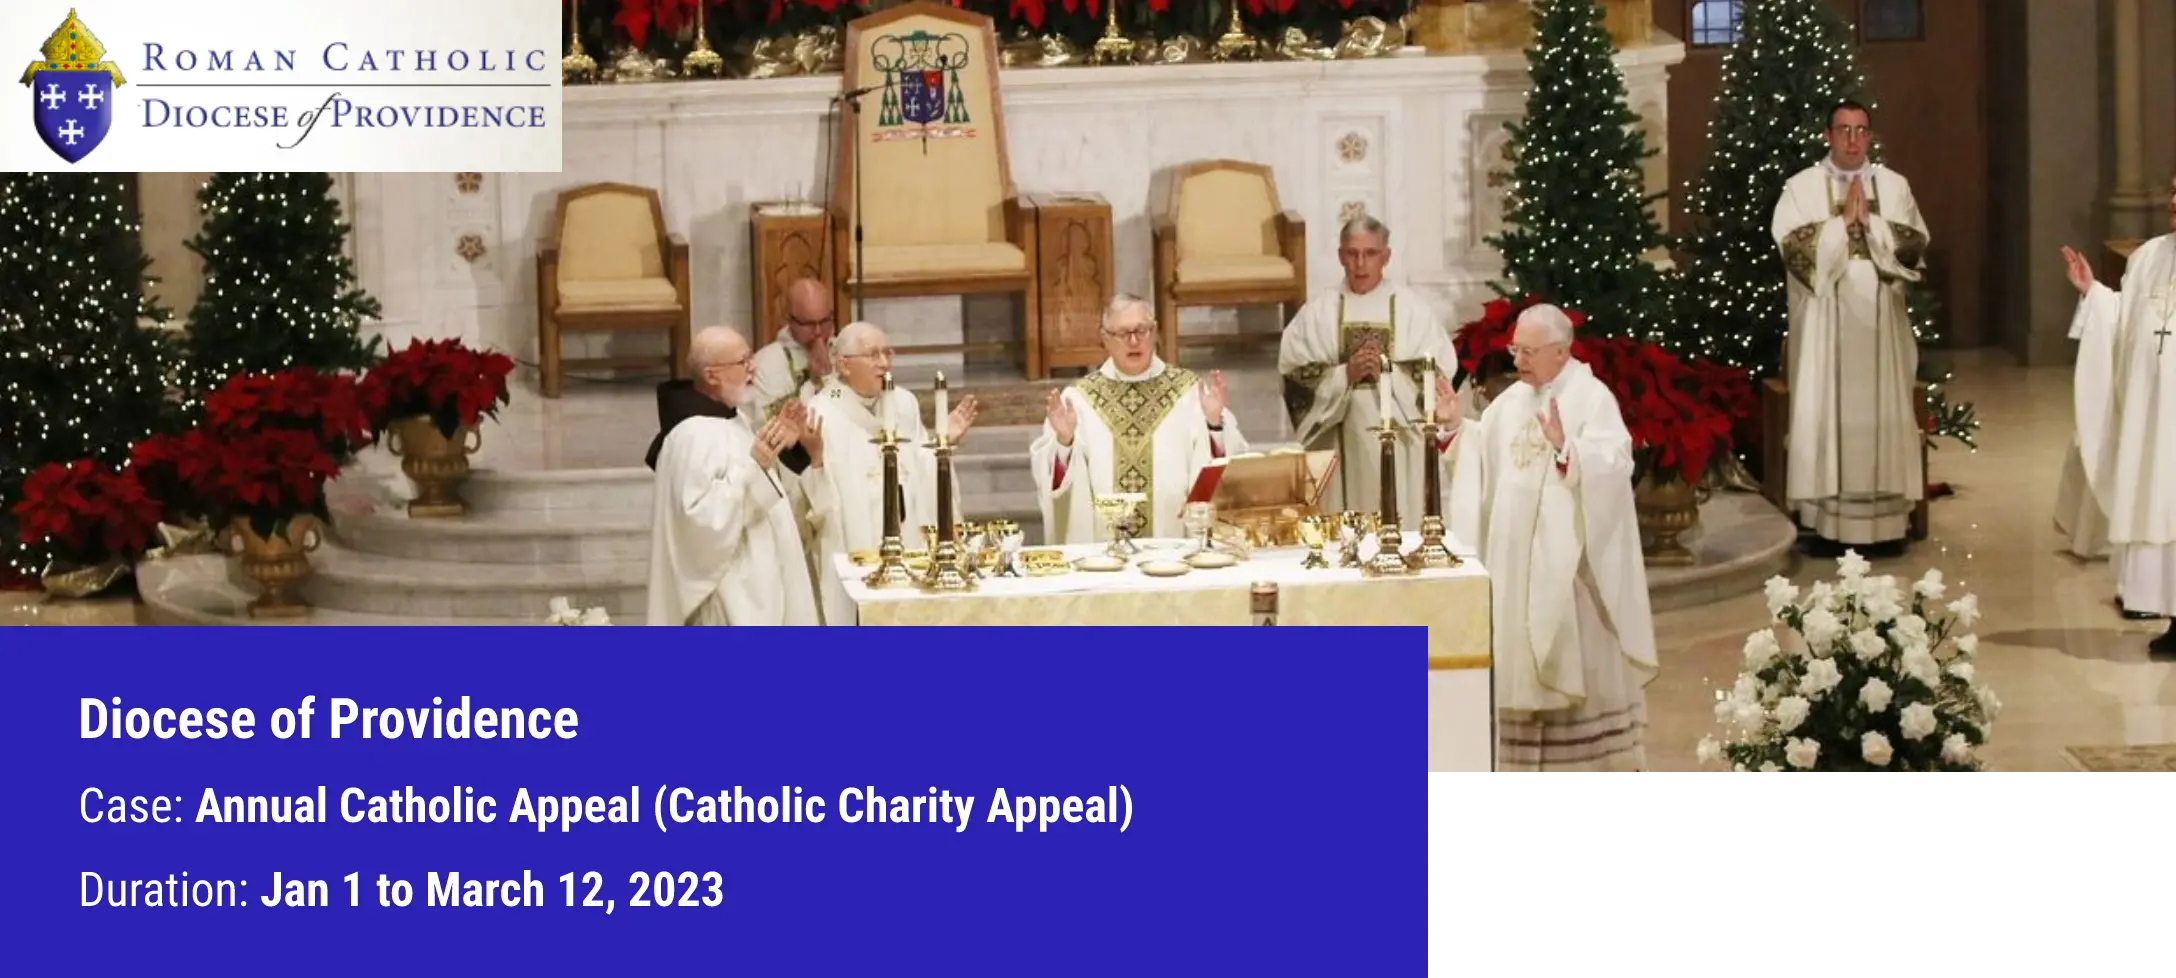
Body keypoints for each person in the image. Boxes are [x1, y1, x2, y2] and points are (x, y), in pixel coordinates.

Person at [1440, 303, 1656, 772]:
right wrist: (1456, 428)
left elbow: (1616, 463)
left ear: (1561, 351)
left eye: (1528, 351)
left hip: (1568, 569)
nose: (1517, 360)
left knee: (1571, 656)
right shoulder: (1511, 401)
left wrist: (1567, 449)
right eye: (1515, 349)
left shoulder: (1590, 397)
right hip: (1511, 560)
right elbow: (1483, 451)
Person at [1772, 100, 1929, 556]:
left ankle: (1887, 524)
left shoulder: (1894, 186)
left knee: (1883, 415)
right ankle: (1826, 524)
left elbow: (1915, 245)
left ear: (1870, 136)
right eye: (1844, 130)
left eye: (1861, 130)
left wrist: (1873, 224)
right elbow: (1791, 250)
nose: (1853, 139)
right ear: (1828, 135)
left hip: (1882, 330)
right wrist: (1842, 225)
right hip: (1826, 328)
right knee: (1827, 416)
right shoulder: (1802, 188)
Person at [1278, 215, 1458, 520]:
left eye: (1370, 254)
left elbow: (1437, 373)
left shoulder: (1412, 310)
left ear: (1385, 257)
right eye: (1352, 253)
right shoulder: (1318, 313)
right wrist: (1343, 375)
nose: (1360, 263)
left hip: (1399, 446)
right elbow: (1294, 376)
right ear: (1340, 256)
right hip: (1339, 445)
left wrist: (1390, 373)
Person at [2062, 170, 2176, 650]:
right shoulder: (2149, 257)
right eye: (2172, 189)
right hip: (2155, 417)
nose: (2174, 200)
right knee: (2158, 504)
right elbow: (2127, 320)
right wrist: (2093, 294)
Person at [801, 322, 979, 625]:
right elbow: (816, 493)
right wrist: (815, 460)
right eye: (873, 355)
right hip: (857, 541)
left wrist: (942, 444)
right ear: (844, 365)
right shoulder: (821, 413)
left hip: (909, 536)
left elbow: (917, 467)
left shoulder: (903, 402)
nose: (884, 363)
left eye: (887, 353)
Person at [1031, 294, 1247, 544]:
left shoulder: (1189, 392)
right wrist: (1064, 442)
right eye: (1123, 333)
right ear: (1105, 339)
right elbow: (1056, 485)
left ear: (1154, 333)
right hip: (1104, 555)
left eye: (1141, 331)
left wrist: (1214, 423)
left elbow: (1224, 469)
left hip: (1174, 544)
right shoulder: (1078, 400)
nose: (1134, 341)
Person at [646, 327, 821, 627]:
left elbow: (761, 489)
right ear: (712, 375)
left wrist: (783, 445)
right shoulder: (690, 437)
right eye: (743, 362)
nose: (753, 368)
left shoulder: (732, 419)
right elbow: (701, 521)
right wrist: (757, 468)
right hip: (728, 593)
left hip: (759, 583)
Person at [749, 278, 835, 422]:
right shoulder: (767, 363)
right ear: (788, 319)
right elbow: (765, 421)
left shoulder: (842, 350)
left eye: (825, 321)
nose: (818, 331)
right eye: (808, 324)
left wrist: (829, 380)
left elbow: (845, 404)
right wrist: (814, 384)